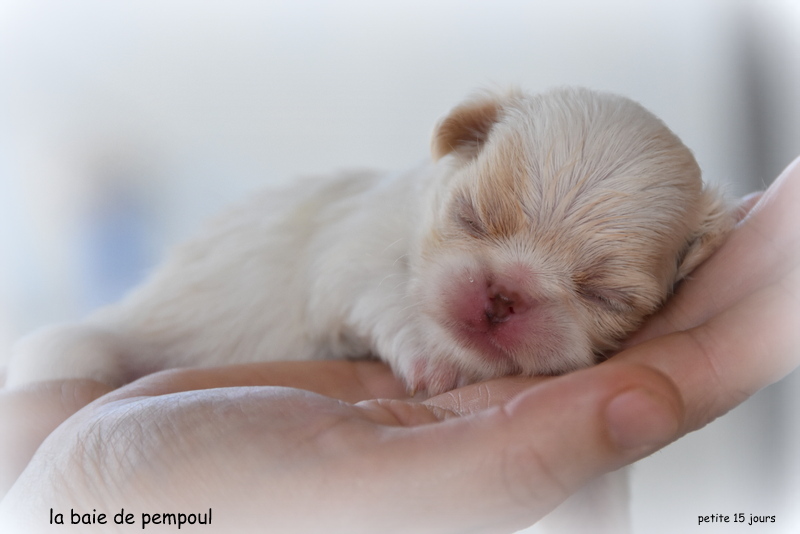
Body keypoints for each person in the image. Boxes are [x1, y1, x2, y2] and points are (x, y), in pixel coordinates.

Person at [1, 157, 798, 533]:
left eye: (604, 294)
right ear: (461, 147)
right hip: (121, 359)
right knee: (60, 356)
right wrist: (58, 487)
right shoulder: (376, 213)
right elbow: (340, 276)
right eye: (478, 223)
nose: (504, 296)